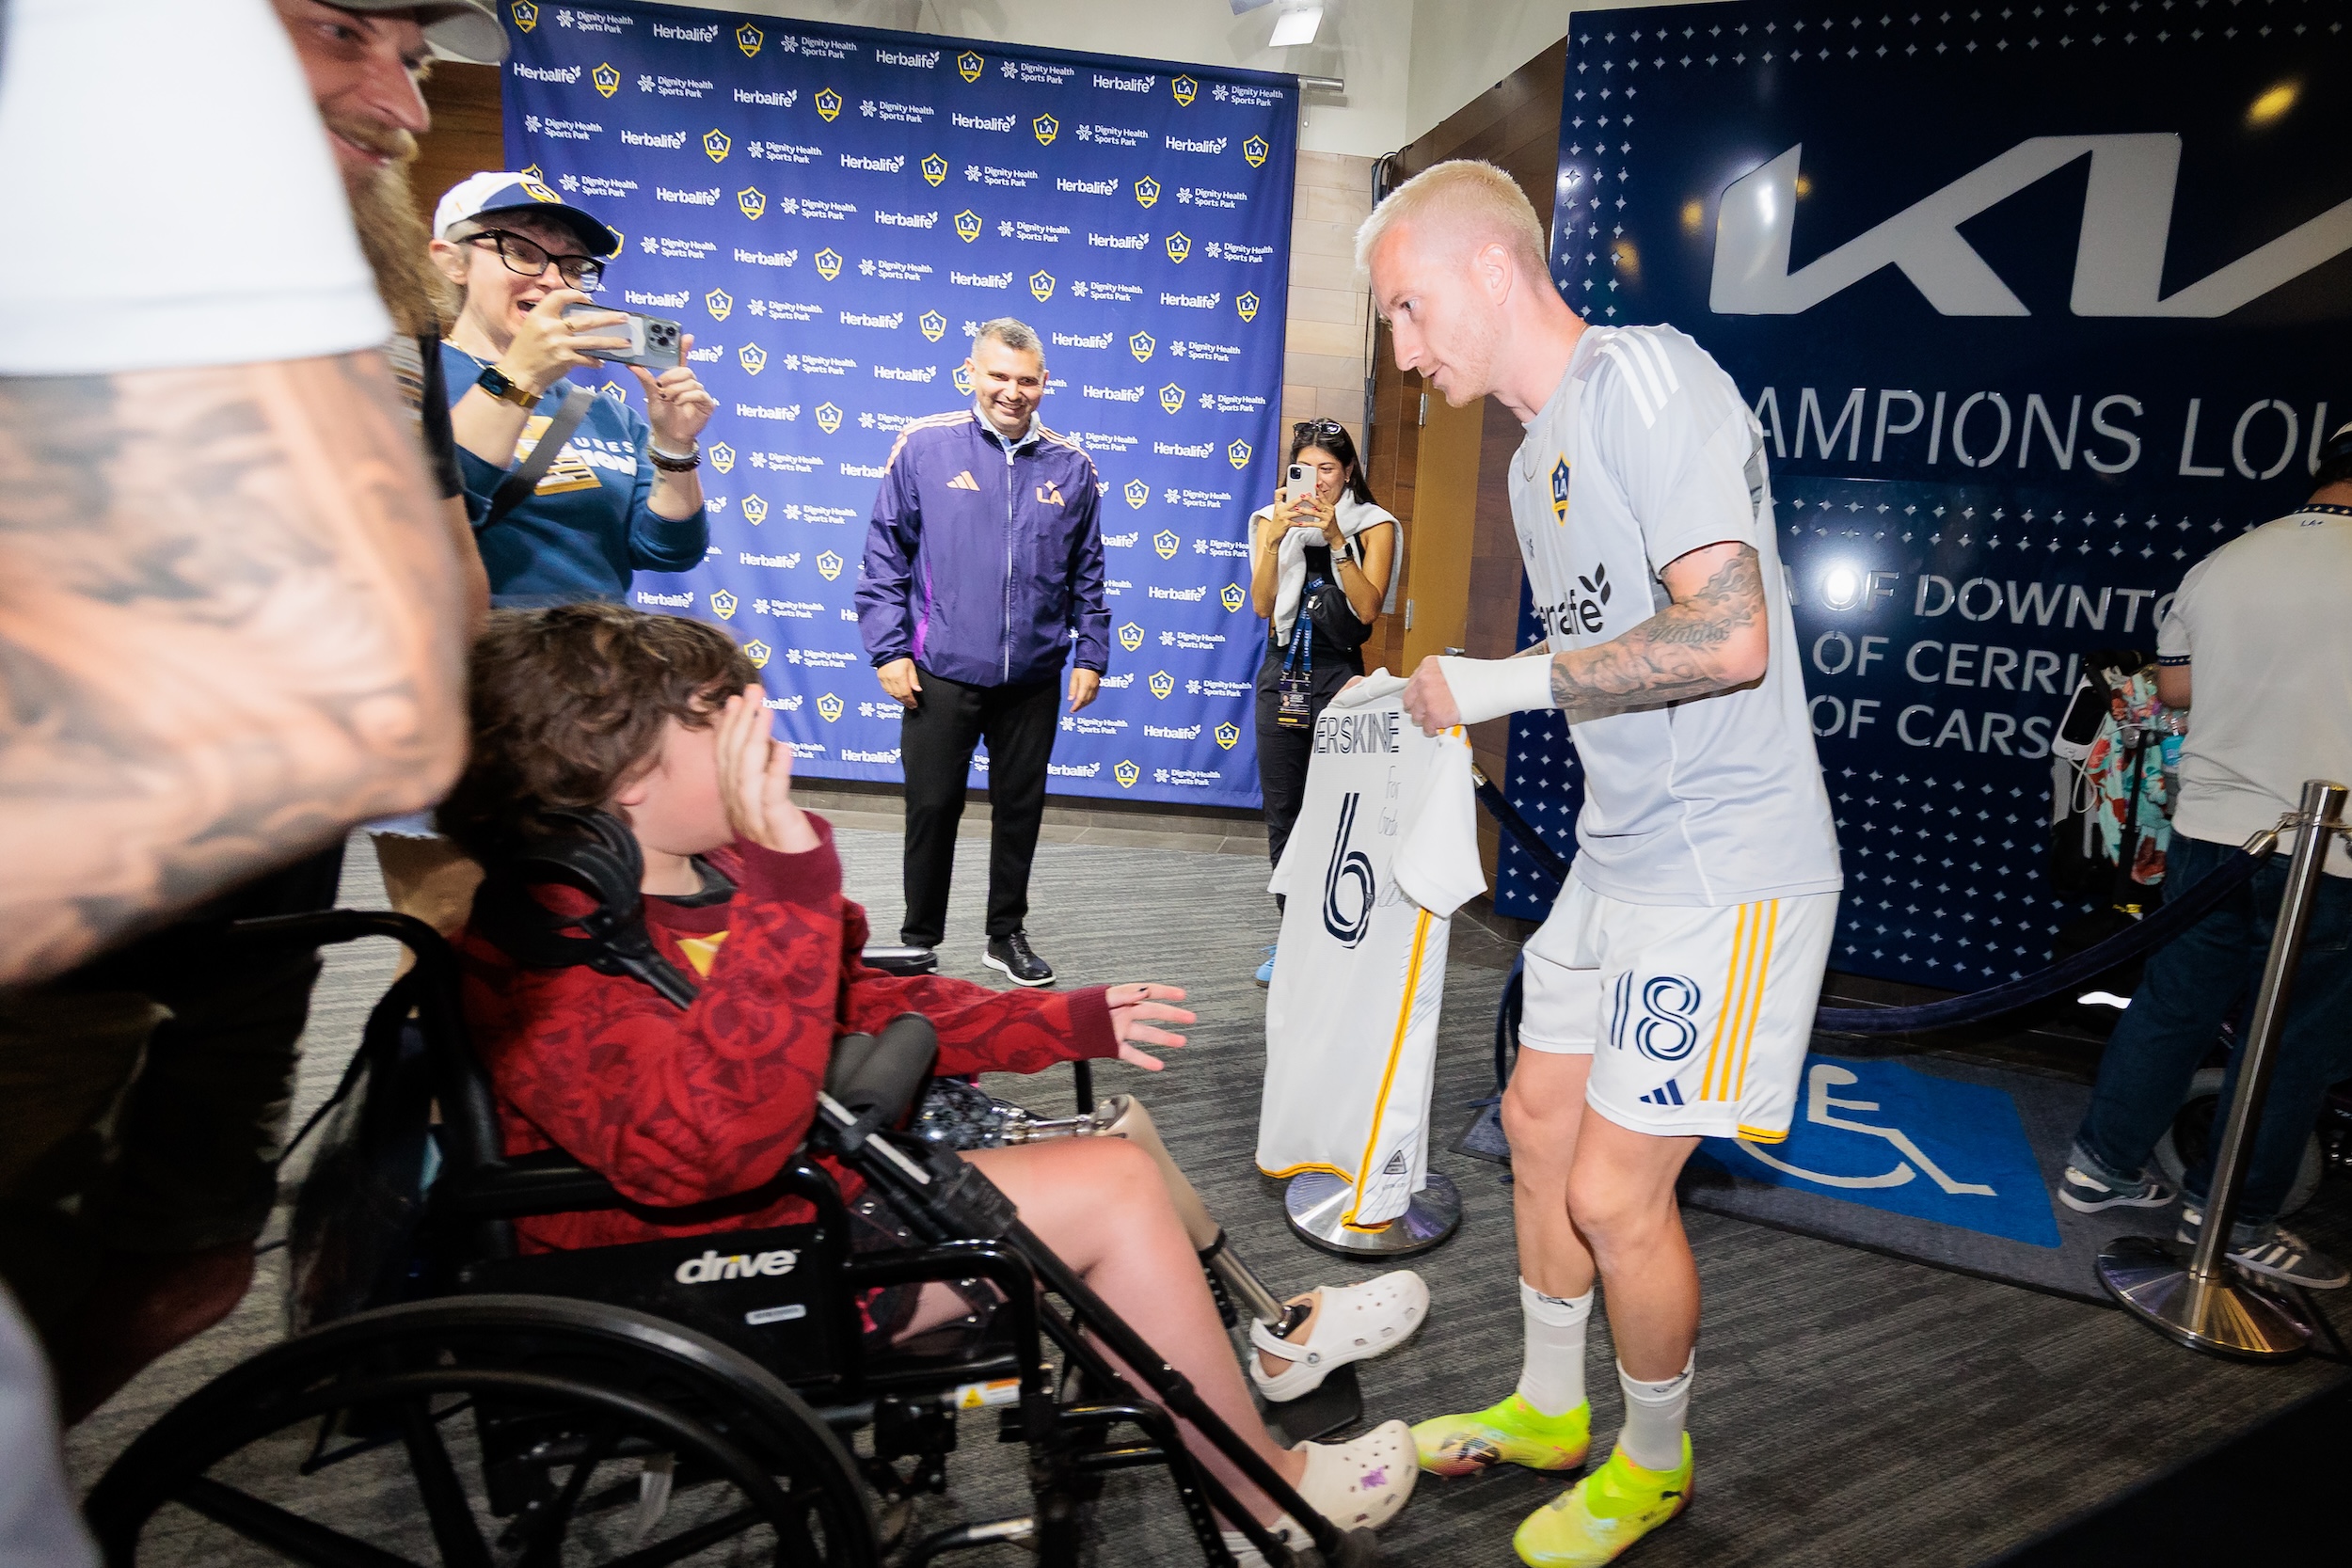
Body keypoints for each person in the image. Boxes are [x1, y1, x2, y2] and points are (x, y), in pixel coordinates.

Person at [439, 604, 1420, 1560]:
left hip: (806, 1192)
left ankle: (1266, 1337)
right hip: (707, 1273)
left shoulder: (703, 878)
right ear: (621, 777)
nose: (764, 727)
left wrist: (1059, 1017)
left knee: (1123, 1141)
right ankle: (1262, 1494)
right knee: (1112, 1190)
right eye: (725, 719)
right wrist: (787, 883)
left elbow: (863, 1003)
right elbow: (708, 1142)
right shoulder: (544, 946)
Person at [0, 0, 481, 1444]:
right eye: (343, 31)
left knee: (194, 1268)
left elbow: (442, 570)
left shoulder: (373, 313)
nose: (396, 102)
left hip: (261, 899)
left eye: (413, 57)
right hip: (65, 932)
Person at [1360, 162, 1842, 1566]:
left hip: (1728, 869)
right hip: (1622, 860)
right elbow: (1620, 669)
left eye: (1409, 306)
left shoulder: (1643, 379)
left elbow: (1730, 634)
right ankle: (1552, 1405)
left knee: (1615, 1191)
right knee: (1533, 1124)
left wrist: (1501, 683)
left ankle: (1656, 1456)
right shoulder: (1530, 454)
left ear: (1495, 272)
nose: (1403, 347)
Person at [2058, 425, 2352, 1291]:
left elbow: (2176, 689)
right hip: (2326, 850)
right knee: (2296, 1039)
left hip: (2215, 833)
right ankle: (2233, 1216)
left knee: (2173, 1005)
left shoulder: (2227, 562)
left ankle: (2101, 1165)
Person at [854, 319, 1109, 986]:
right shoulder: (924, 446)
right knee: (932, 806)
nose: (1012, 391)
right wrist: (887, 650)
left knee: (1019, 810)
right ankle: (918, 939)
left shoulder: (1072, 466)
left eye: (1026, 379)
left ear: (1044, 383)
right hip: (939, 669)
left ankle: (1005, 933)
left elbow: (1088, 571)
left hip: (1032, 675)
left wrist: (1092, 652)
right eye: (998, 375)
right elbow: (885, 555)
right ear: (971, 372)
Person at [430, 172, 716, 607]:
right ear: (453, 262)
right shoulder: (410, 376)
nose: (551, 280)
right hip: (477, 660)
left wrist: (675, 446)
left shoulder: (607, 414)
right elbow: (427, 511)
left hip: (595, 664)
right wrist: (520, 376)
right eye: (522, 252)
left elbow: (669, 550)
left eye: (573, 266)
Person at [1246, 419, 1399, 985]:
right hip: (1281, 668)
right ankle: (1293, 936)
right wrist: (1276, 539)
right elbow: (1262, 604)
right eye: (1305, 469)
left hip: (1339, 679)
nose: (1317, 482)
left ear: (1349, 471)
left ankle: (1339, 932)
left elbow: (1366, 611)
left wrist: (1336, 538)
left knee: (1336, 814)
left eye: (1329, 470)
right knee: (1284, 814)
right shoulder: (1269, 519)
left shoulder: (1376, 526)